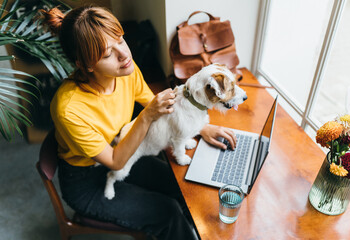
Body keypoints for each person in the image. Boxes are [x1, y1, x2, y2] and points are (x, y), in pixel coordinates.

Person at [41, 5, 237, 240]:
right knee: (168, 213)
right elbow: (115, 161)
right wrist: (147, 116)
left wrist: (202, 127)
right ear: (85, 65)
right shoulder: (69, 109)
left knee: (184, 188)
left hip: (121, 148)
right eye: (107, 54)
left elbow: (159, 104)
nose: (124, 55)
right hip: (86, 181)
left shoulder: (125, 72)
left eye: (121, 40)